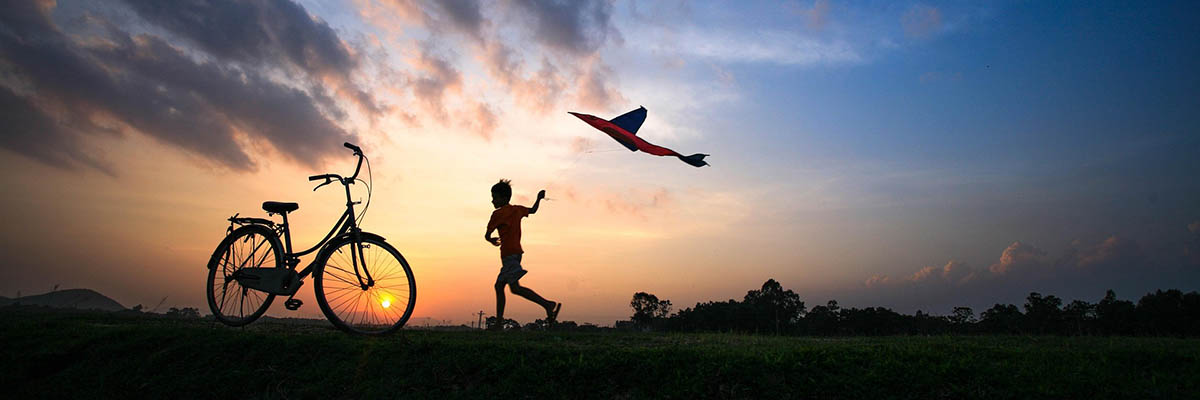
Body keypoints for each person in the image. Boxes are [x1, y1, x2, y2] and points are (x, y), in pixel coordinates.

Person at [485, 179, 560, 330]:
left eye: (495, 197)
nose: (492, 200)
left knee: (507, 287)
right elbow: (533, 210)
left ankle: (547, 304)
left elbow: (487, 235)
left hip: (509, 256)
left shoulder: (497, 214)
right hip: (515, 254)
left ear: (504, 198)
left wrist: (491, 240)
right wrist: (538, 198)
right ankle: (546, 305)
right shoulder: (517, 210)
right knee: (506, 287)